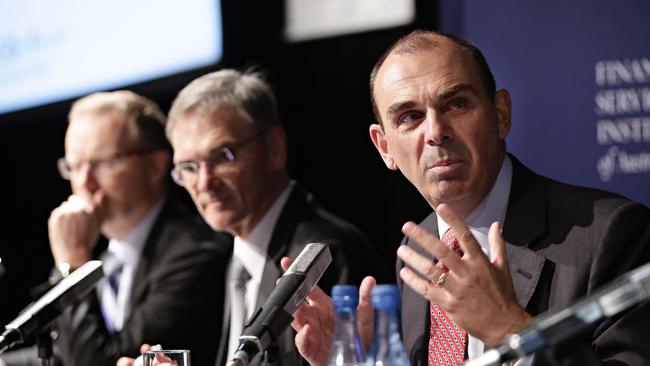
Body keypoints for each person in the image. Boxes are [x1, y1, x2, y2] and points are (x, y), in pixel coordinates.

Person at [287, 30, 650, 366]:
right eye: (410, 117)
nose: (436, 132)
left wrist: (511, 330)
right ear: (385, 148)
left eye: (456, 104)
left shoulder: (610, 234)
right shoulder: (417, 255)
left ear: (500, 114)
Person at [117, 69, 387, 366]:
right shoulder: (235, 257)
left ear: (275, 148)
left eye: (223, 156)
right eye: (189, 167)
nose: (205, 182)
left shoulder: (325, 256)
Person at [0, 91, 228, 366]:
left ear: (156, 165)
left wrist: (71, 268)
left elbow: (100, 361)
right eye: (74, 166)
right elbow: (63, 354)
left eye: (102, 163)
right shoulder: (109, 259)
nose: (84, 181)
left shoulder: (196, 252)